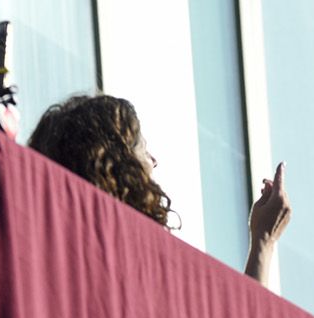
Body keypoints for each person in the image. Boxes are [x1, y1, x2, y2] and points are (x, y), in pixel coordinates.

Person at [27, 94, 291, 285]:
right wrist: (263, 241)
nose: (154, 161)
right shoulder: (146, 275)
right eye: (142, 147)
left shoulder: (40, 266)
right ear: (117, 168)